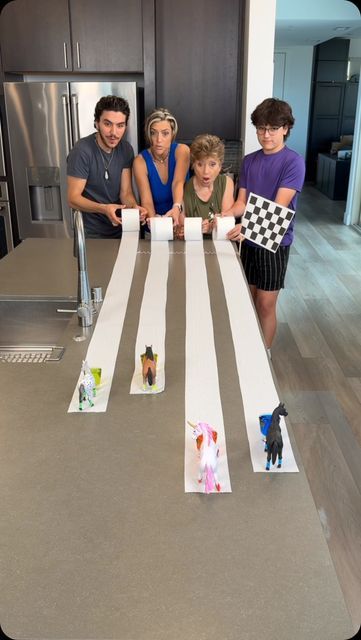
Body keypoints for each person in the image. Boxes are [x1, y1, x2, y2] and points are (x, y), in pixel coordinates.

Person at [223, 98, 305, 353]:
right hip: (248, 240)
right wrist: (222, 216)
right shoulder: (249, 161)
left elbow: (279, 208)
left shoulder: (293, 162)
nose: (265, 135)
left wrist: (246, 227)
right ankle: (249, 349)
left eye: (272, 128)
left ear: (285, 128)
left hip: (275, 241)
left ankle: (264, 354)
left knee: (266, 303)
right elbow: (241, 203)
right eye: (260, 128)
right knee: (249, 299)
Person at [67, 95, 146, 238]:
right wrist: (104, 208)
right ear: (96, 123)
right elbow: (73, 198)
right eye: (108, 124)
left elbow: (125, 192)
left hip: (120, 229)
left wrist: (134, 208)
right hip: (91, 235)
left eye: (120, 125)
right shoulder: (82, 151)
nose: (114, 133)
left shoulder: (126, 149)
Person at [133, 108, 190, 229]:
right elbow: (147, 201)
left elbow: (177, 183)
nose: (159, 140)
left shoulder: (182, 151)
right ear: (149, 134)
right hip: (156, 222)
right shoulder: (140, 161)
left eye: (165, 133)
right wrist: (155, 226)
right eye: (154, 133)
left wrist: (176, 207)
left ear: (172, 134)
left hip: (182, 223)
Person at [182, 133, 235, 235]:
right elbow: (181, 225)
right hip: (192, 247)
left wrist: (212, 226)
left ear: (220, 166)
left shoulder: (227, 183)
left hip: (221, 246)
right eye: (200, 164)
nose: (206, 171)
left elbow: (226, 223)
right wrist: (194, 229)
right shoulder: (183, 186)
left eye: (212, 164)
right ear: (193, 165)